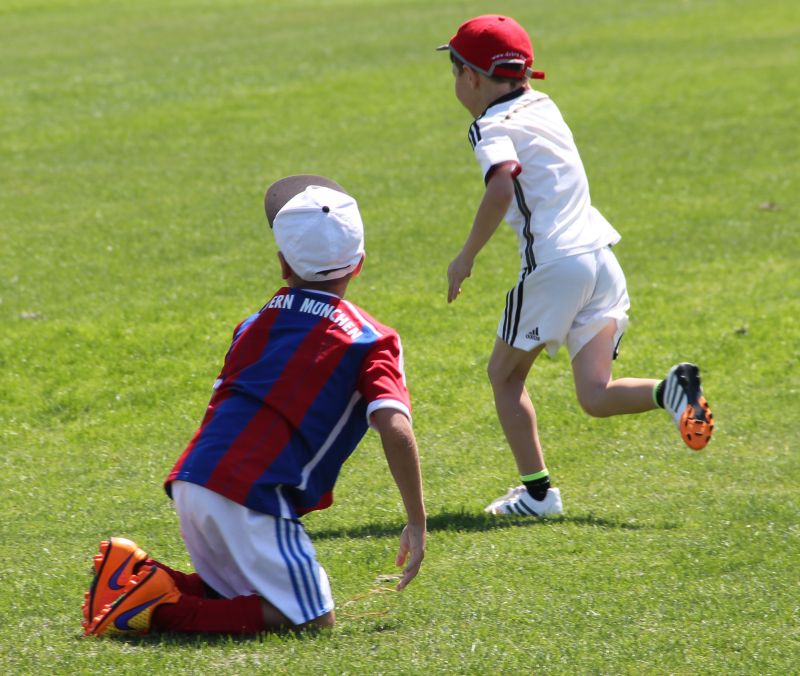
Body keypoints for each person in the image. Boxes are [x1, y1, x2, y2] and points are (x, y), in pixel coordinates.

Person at [82, 175, 426, 637]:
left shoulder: (253, 323)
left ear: (283, 264)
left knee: (239, 590)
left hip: (193, 478)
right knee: (311, 618)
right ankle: (153, 612)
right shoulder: (371, 339)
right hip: (253, 494)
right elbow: (396, 428)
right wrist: (416, 520)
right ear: (360, 263)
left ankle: (138, 576)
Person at [437, 15, 714, 518]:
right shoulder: (545, 103)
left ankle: (538, 495)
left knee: (503, 375)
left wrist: (465, 257)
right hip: (601, 258)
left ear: (470, 77)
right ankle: (671, 391)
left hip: (556, 265)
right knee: (594, 393)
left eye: (454, 71)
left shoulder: (489, 126)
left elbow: (502, 184)